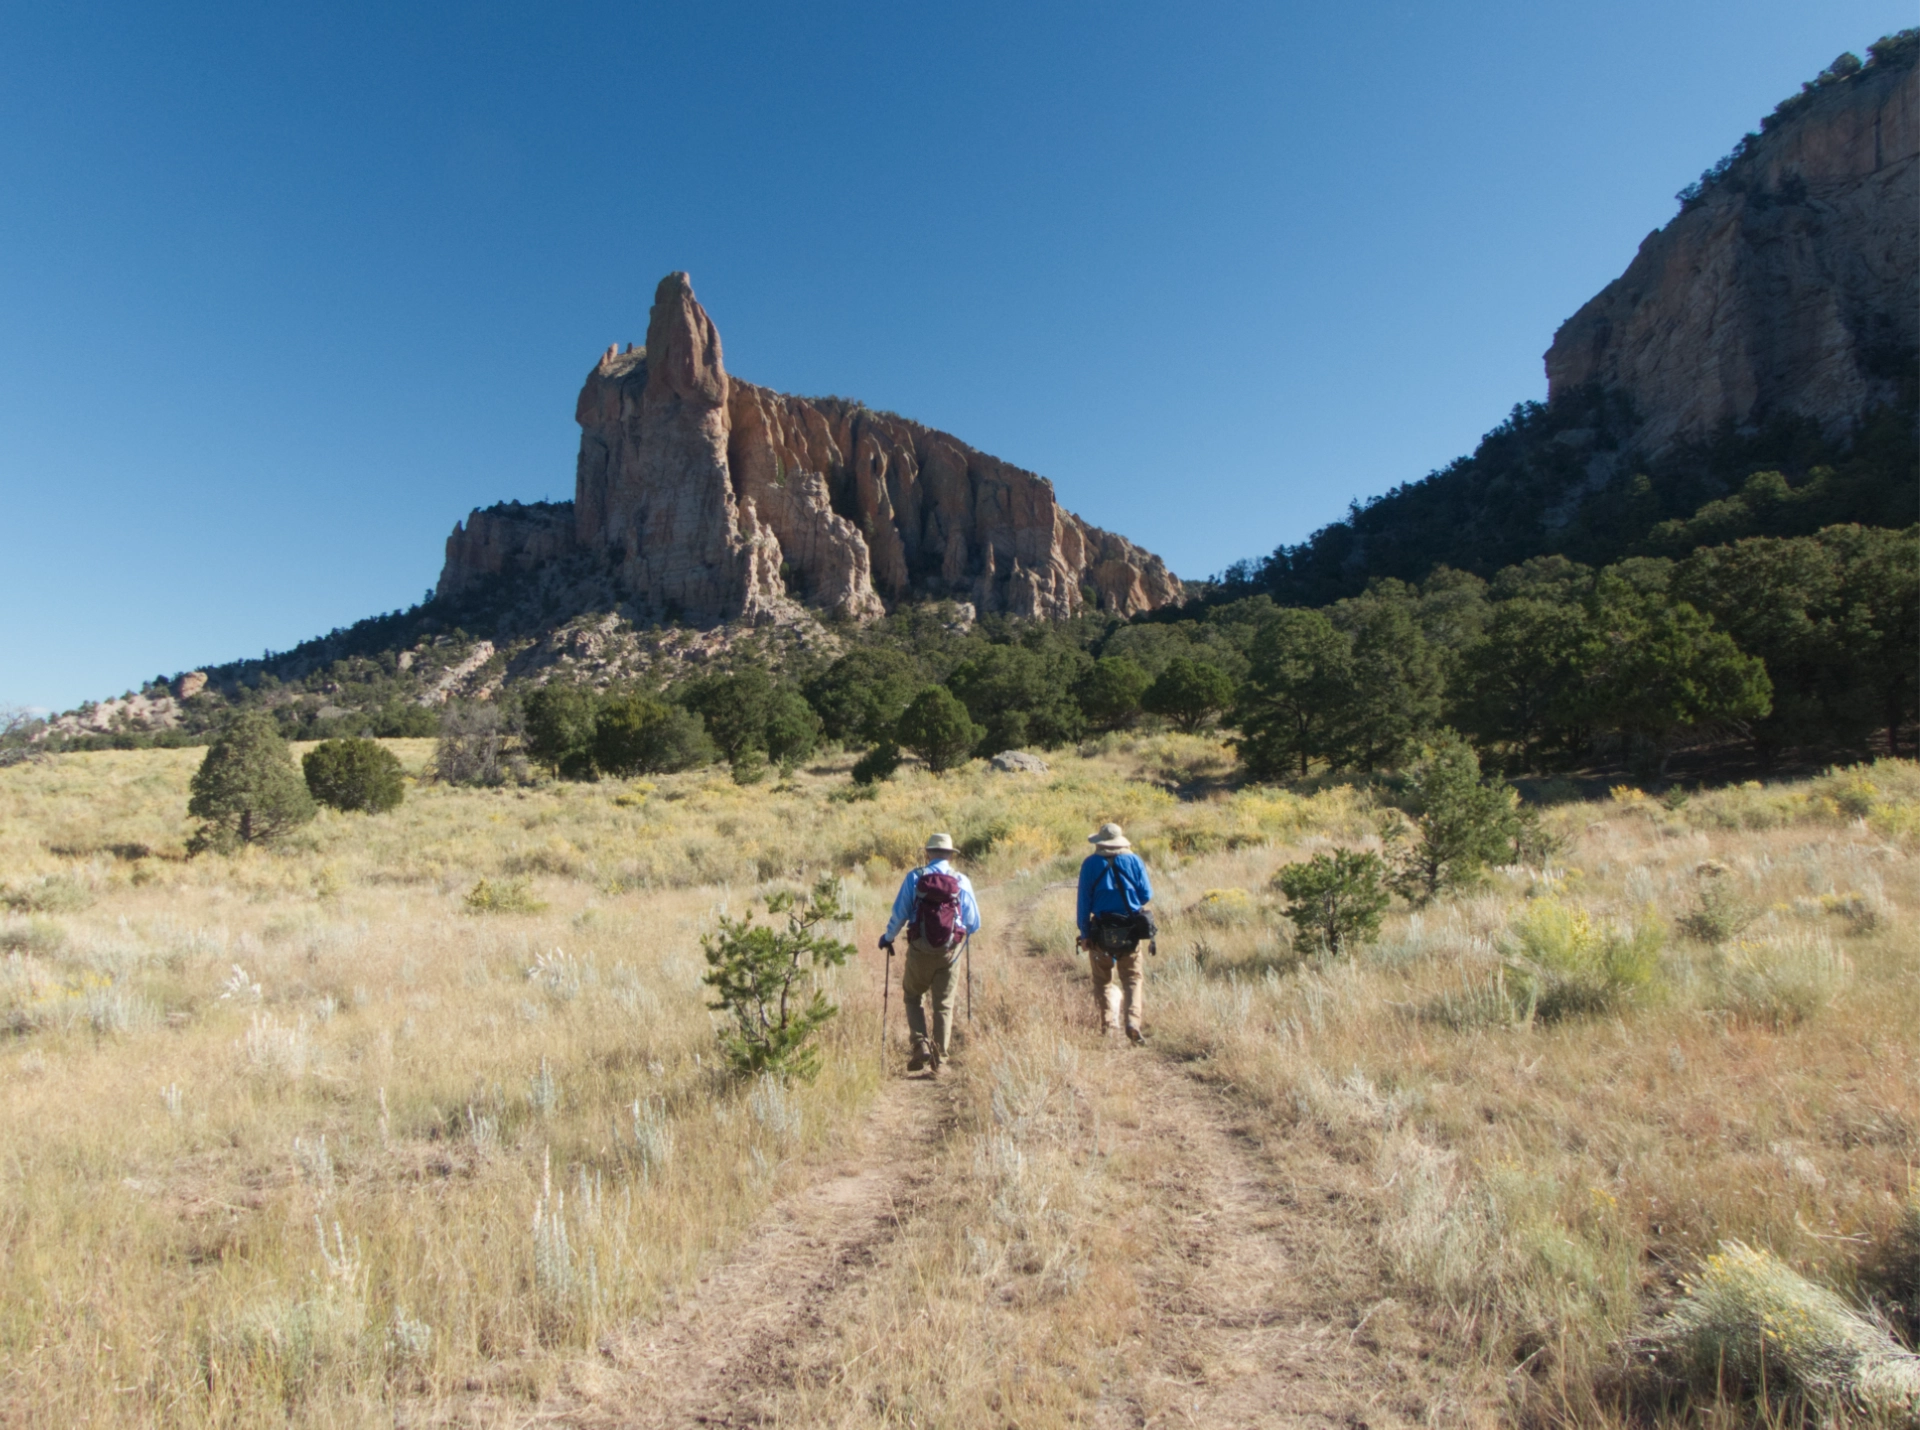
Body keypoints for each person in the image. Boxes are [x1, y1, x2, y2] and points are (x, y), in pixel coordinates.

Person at [880, 833, 982, 1075]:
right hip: (949, 952)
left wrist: (888, 937)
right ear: (949, 854)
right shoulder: (961, 880)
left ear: (928, 853)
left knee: (913, 995)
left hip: (919, 950)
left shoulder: (915, 877)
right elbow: (974, 922)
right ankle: (940, 1060)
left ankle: (920, 1043)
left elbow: (900, 912)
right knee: (943, 1005)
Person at [1077, 822, 1155, 1043]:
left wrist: (1085, 933)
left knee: (1102, 981)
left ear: (1100, 843)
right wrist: (1129, 905)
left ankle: (1109, 1026)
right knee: (1132, 978)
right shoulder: (1134, 860)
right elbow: (1146, 894)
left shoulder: (1090, 864)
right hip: (1130, 930)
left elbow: (1084, 902)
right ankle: (1132, 1022)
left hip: (1100, 930)